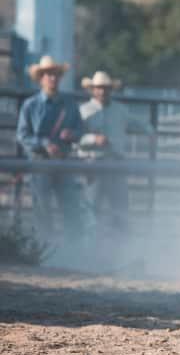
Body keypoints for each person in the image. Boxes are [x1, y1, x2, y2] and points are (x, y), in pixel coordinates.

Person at [16, 55, 84, 242]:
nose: (52, 78)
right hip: (40, 163)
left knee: (71, 206)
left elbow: (80, 129)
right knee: (42, 208)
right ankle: (45, 248)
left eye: (55, 74)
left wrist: (72, 134)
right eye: (48, 74)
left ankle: (74, 249)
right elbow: (22, 135)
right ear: (41, 78)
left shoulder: (70, 103)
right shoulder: (30, 105)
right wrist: (45, 144)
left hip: (64, 162)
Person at [78, 71, 154, 230]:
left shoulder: (120, 110)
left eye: (106, 88)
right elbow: (75, 139)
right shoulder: (83, 111)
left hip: (116, 164)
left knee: (120, 208)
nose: (102, 91)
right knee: (92, 208)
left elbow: (138, 123)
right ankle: (91, 244)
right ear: (92, 89)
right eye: (99, 88)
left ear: (110, 90)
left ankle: (119, 244)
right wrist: (93, 139)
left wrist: (150, 131)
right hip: (93, 163)